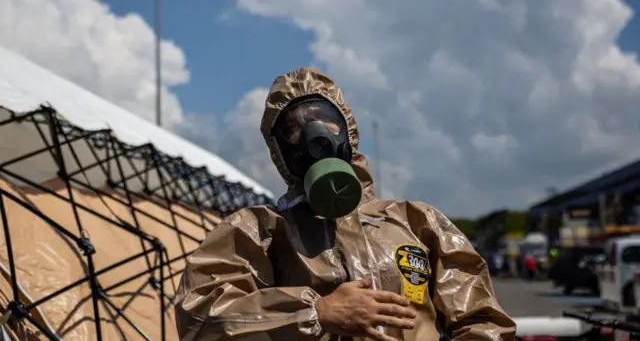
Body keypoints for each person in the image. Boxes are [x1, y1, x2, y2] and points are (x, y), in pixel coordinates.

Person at [174, 67, 516, 341]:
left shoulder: (416, 222)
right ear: (279, 150)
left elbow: (483, 321)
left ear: (348, 132)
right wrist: (317, 313)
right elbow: (201, 317)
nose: (315, 137)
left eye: (326, 121)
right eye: (294, 130)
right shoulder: (258, 231)